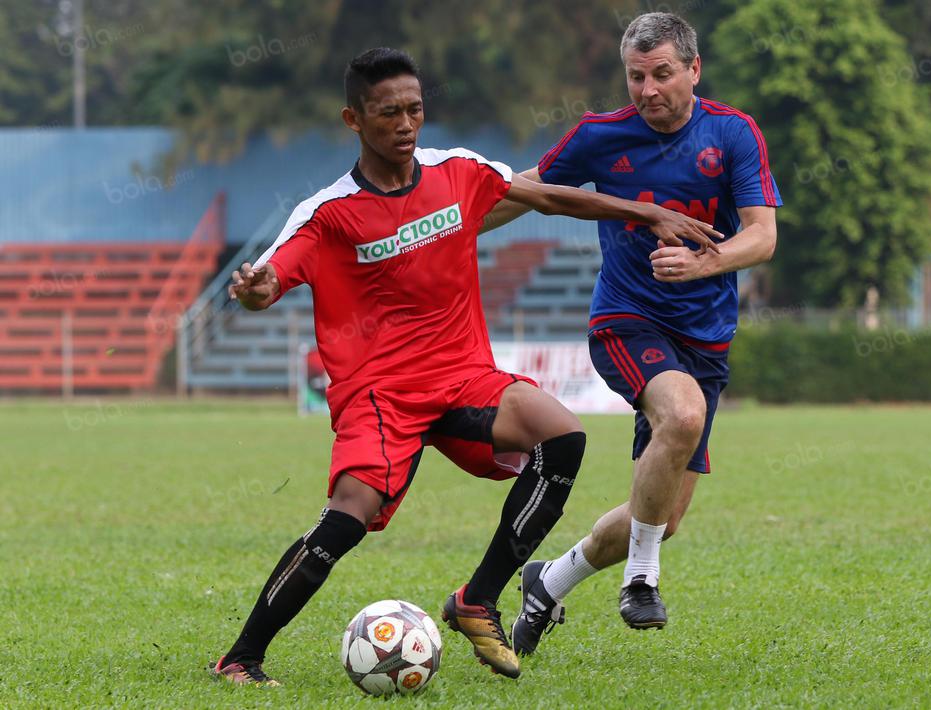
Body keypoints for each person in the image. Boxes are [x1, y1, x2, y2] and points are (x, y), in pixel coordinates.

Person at [212, 46, 722, 685]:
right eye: (388, 113)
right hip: (381, 394)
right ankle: (242, 657)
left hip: (462, 378)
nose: (405, 124)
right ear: (353, 120)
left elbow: (549, 198)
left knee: (563, 435)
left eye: (415, 109)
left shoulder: (457, 171)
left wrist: (646, 212)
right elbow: (271, 277)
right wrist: (257, 289)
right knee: (348, 519)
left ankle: (478, 598)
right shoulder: (328, 213)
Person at [481, 12, 781, 652]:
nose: (647, 89)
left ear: (694, 70)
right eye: (636, 76)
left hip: (706, 341)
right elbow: (529, 191)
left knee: (662, 517)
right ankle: (640, 581)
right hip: (625, 320)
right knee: (683, 415)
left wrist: (707, 261)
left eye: (662, 74)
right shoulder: (598, 135)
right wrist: (445, 231)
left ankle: (547, 582)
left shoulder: (733, 134)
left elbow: (762, 234)